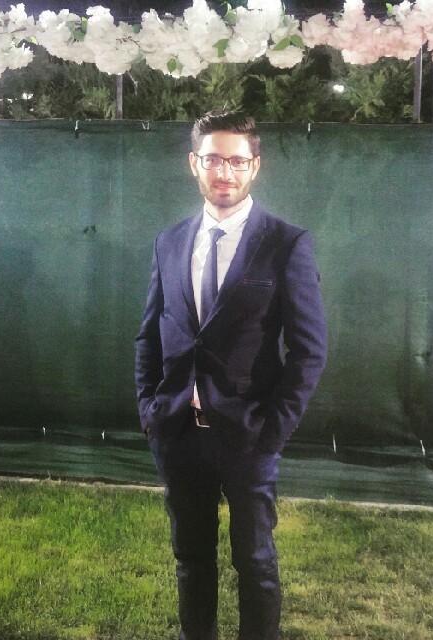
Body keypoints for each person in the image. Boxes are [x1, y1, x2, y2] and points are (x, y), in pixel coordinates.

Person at [135, 110, 327, 640]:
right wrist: (151, 410)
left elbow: (309, 350)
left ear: (255, 166)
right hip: (178, 432)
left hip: (249, 435)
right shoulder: (170, 241)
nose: (226, 172)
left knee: (255, 562)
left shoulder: (286, 243)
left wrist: (273, 431)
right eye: (214, 160)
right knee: (191, 559)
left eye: (238, 162)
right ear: (194, 163)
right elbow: (149, 335)